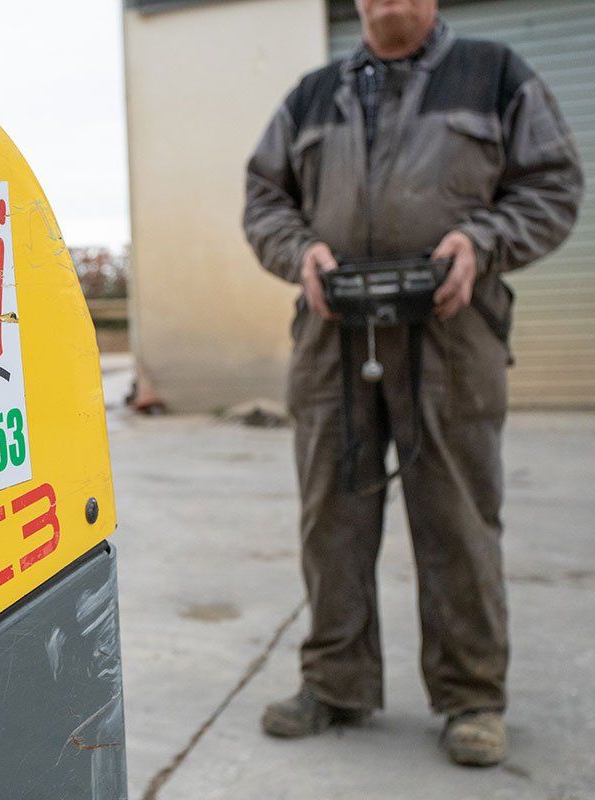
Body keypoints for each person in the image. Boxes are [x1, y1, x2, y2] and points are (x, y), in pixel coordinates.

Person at [241, 0, 583, 767]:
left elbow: (554, 185)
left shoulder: (494, 75)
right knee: (331, 517)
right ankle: (334, 682)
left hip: (454, 337)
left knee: (458, 519)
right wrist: (299, 251)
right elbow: (265, 198)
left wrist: (484, 240)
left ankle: (471, 696)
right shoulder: (310, 94)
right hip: (333, 338)